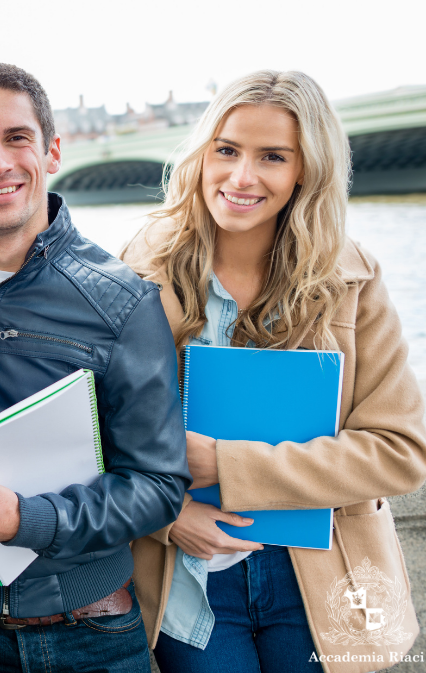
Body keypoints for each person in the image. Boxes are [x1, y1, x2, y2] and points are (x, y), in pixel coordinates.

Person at [122, 70, 426, 673]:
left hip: (322, 577)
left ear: (304, 172)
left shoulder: (352, 280)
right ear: (202, 155)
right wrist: (170, 516)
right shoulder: (138, 270)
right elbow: (101, 430)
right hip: (190, 583)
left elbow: (400, 450)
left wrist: (227, 466)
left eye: (272, 157)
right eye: (227, 150)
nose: (241, 176)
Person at [0, 62, 190, 673]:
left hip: (87, 637)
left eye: (17, 138)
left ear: (53, 150)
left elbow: (160, 487)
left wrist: (27, 519)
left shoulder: (122, 302)